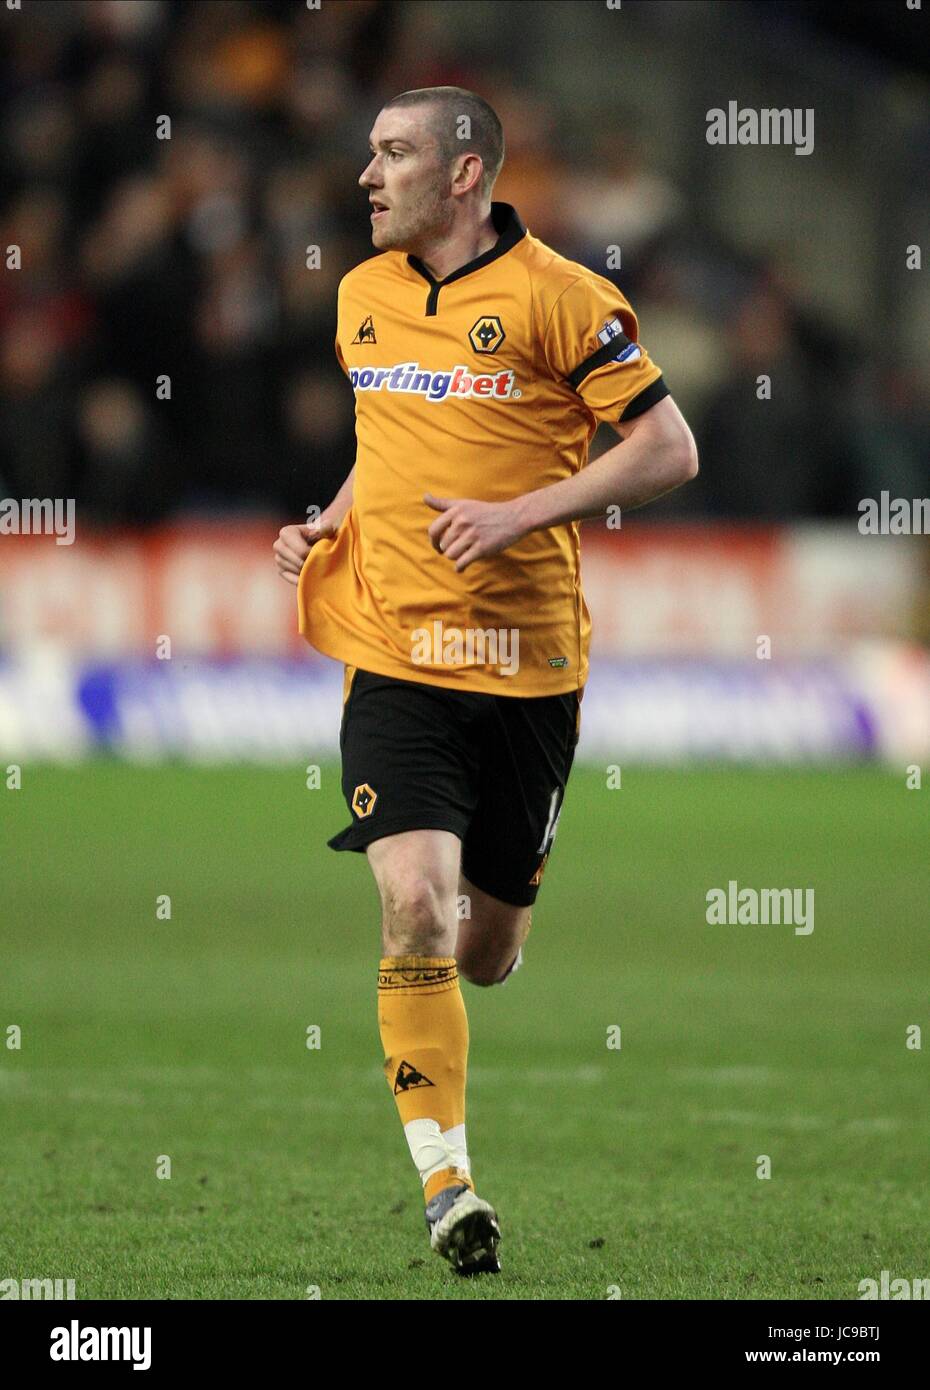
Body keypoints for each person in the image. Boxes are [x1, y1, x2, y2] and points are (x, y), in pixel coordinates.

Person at [274, 86, 697, 1275]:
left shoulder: (564, 298)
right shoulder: (361, 297)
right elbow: (383, 435)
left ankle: (488, 936)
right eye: (368, 151)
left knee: (486, 948)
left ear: (465, 175)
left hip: (528, 668)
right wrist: (333, 521)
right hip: (396, 656)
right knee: (412, 903)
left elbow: (669, 448)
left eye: (395, 152)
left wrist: (521, 513)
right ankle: (448, 1185)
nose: (368, 173)